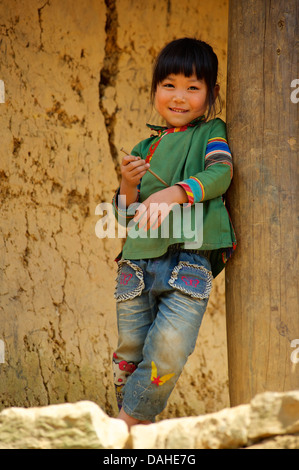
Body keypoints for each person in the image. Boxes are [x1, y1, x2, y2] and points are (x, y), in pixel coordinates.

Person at [111, 37, 236, 429]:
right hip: (136, 264)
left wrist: (175, 191)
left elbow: (221, 172)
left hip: (190, 262)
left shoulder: (212, 131)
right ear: (154, 90)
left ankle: (125, 424)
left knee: (167, 350)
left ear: (212, 93)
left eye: (193, 87)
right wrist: (128, 187)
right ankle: (138, 425)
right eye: (169, 85)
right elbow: (127, 217)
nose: (179, 97)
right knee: (131, 351)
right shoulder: (144, 147)